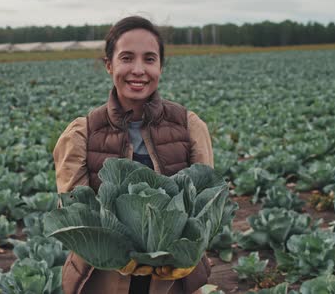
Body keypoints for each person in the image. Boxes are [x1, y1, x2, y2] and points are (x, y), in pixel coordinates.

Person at [53, 16, 214, 294]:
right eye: (126, 58)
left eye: (149, 59)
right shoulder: (81, 133)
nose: (138, 70)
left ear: (160, 67)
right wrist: (117, 252)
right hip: (103, 279)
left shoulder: (189, 127)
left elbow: (205, 209)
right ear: (109, 65)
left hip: (171, 280)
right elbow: (74, 215)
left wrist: (186, 255)